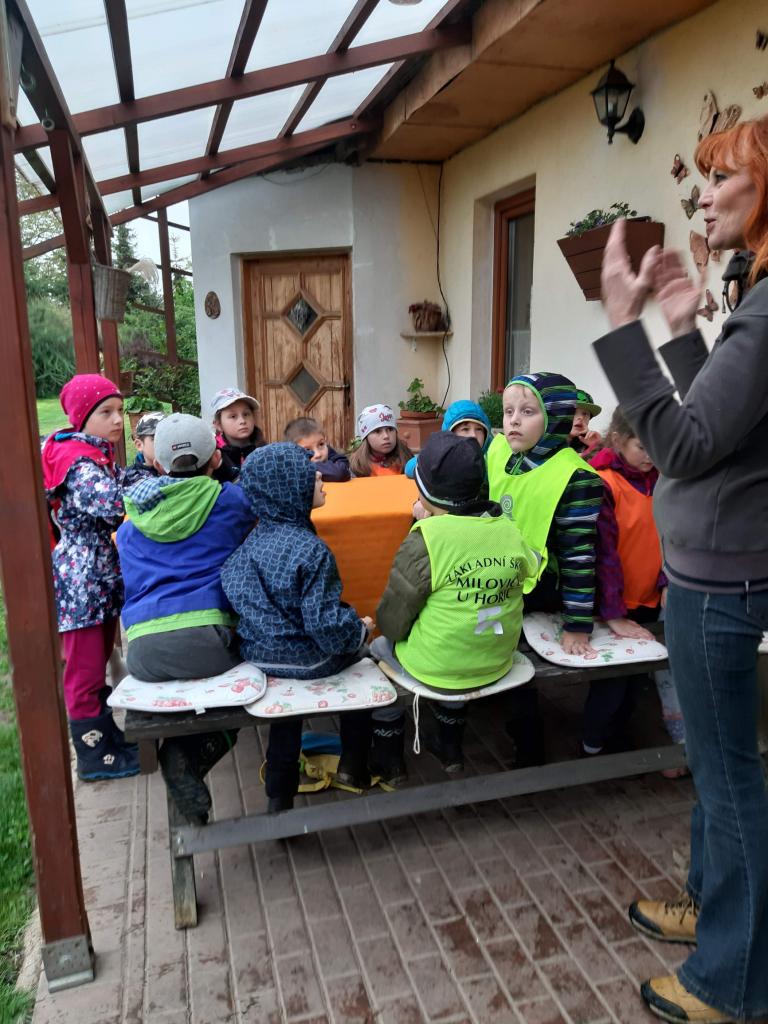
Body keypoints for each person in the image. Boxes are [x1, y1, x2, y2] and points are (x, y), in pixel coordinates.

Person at [594, 114, 768, 1023]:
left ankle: (734, 977)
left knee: (731, 775)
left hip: (722, 585)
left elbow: (687, 445)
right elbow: (720, 425)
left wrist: (624, 330)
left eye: (722, 177)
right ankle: (711, 903)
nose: (704, 197)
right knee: (715, 760)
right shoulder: (757, 298)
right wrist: (679, 330)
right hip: (714, 574)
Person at [371, 431, 539, 784]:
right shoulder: (510, 531)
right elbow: (530, 569)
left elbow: (393, 618)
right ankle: (450, 747)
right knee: (459, 639)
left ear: (424, 492)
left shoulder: (427, 538)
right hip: (497, 660)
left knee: (378, 649)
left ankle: (388, 755)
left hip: (439, 667)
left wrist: (425, 523)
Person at [115, 414, 255, 823]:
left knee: (194, 667)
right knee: (261, 666)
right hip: (211, 641)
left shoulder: (130, 527)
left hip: (143, 652)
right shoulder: (231, 502)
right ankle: (189, 751)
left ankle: (184, 750)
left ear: (157, 464)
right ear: (216, 459)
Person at [221, 443, 374, 812]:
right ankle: (355, 764)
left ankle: (279, 793)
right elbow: (326, 628)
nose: (319, 475)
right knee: (365, 663)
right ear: (289, 489)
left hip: (260, 658)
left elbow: (234, 589)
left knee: (286, 716)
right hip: (311, 659)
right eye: (308, 474)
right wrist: (360, 629)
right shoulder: (311, 550)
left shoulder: (248, 544)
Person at [484, 372, 603, 765]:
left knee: (516, 656)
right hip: (500, 570)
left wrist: (577, 623)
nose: (513, 421)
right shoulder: (500, 453)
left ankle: (528, 745)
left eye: (528, 412)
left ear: (555, 419)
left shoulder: (574, 477)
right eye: (508, 412)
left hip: (541, 586)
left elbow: (579, 556)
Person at [41, 373, 139, 781]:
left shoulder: (92, 452)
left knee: (95, 660)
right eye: (106, 412)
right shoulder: (77, 461)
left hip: (97, 574)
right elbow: (112, 503)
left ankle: (108, 737)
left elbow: (119, 484)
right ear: (83, 418)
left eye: (120, 410)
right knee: (84, 670)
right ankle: (94, 757)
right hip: (81, 579)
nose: (117, 420)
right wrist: (150, 490)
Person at [586, 406, 685, 761]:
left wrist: (665, 582)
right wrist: (613, 613)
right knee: (611, 684)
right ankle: (591, 746)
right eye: (643, 447)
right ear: (618, 440)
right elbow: (604, 555)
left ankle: (617, 739)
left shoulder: (661, 481)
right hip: (615, 604)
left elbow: (669, 537)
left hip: (648, 599)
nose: (651, 455)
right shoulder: (604, 483)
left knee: (635, 681)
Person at [210, 387, 266, 482]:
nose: (242, 421)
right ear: (218, 424)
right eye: (233, 416)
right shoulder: (213, 456)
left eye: (246, 414)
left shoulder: (265, 450)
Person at [348, 404, 413, 477]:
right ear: (366, 437)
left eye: (390, 429)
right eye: (377, 431)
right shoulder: (356, 467)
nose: (386, 436)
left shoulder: (407, 459)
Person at [283, 415, 351, 482]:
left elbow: (340, 472)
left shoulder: (334, 457)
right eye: (307, 450)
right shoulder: (287, 468)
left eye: (321, 444)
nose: (318, 454)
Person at [123, 410, 165, 487]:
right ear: (139, 445)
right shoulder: (129, 478)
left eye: (168, 438)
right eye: (157, 439)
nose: (165, 444)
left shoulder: (181, 468)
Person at [569, 389, 603, 458]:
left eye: (585, 414)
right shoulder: (547, 445)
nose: (581, 417)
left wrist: (598, 447)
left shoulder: (591, 443)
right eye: (573, 412)